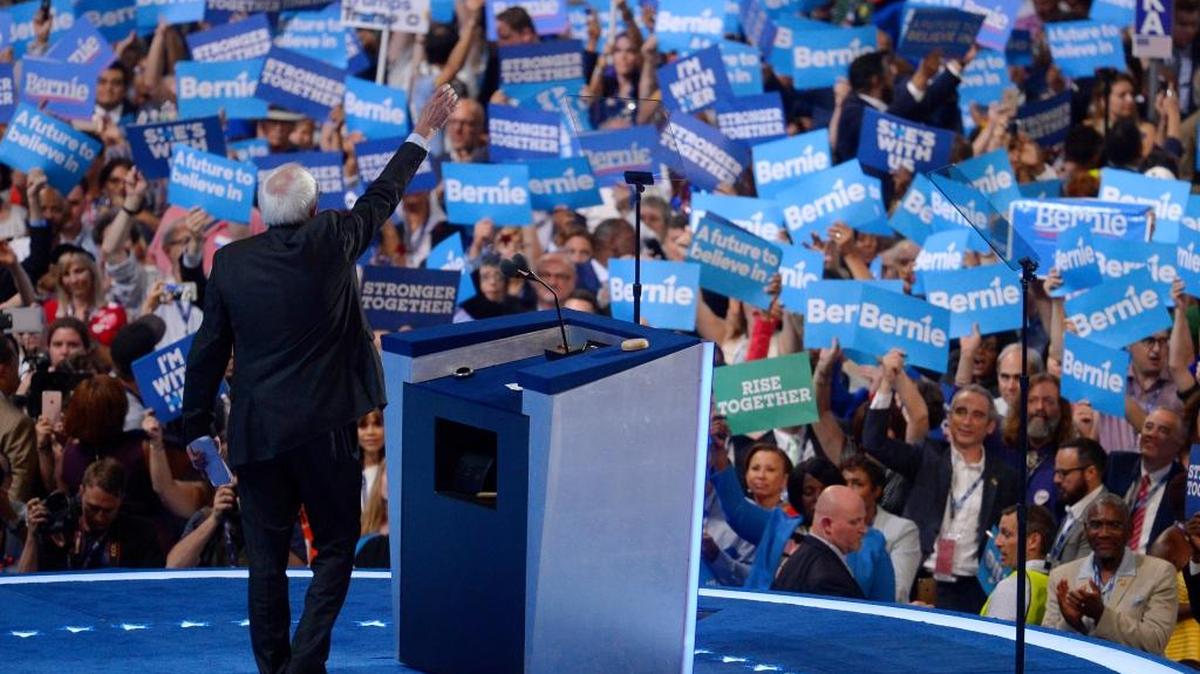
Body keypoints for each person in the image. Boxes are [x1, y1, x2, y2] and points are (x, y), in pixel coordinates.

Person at [181, 85, 457, 674]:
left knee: (266, 560)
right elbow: (383, 195)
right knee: (335, 549)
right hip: (325, 431)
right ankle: (304, 665)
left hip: (257, 435)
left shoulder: (229, 262)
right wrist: (423, 132)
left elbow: (207, 353)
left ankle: (275, 667)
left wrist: (196, 428)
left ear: (266, 212)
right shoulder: (332, 237)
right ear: (309, 210)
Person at [864, 355, 1021, 614]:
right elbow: (873, 442)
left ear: (991, 425)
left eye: (977, 415)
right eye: (960, 412)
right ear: (950, 418)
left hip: (974, 589)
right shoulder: (926, 456)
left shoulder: (1006, 477)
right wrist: (885, 385)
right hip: (922, 580)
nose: (967, 421)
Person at [1044, 494, 1177, 654]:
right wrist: (1072, 623)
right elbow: (1048, 649)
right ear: (1086, 530)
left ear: (1130, 530)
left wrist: (1101, 614)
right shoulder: (1061, 576)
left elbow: (1155, 642)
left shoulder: (1159, 573)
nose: (1104, 533)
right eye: (1096, 525)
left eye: (1114, 525)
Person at [17, 458, 163, 571]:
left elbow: (150, 589)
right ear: (81, 492)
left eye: (108, 510)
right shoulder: (56, 523)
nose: (100, 517)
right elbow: (24, 583)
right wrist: (32, 536)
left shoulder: (140, 534)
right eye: (93, 508)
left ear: (121, 499)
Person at [842, 454, 921, 602]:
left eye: (857, 484)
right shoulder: (833, 528)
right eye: (844, 483)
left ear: (876, 491)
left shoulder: (902, 530)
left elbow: (898, 592)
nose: (848, 490)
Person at [1106, 408, 1185, 554]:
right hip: (1109, 558)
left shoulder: (1182, 485)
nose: (1151, 434)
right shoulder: (1117, 465)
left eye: (1163, 430)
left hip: (1151, 566)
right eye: (1148, 427)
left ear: (1178, 444)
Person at [771, 485, 869, 599]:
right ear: (827, 525)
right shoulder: (829, 579)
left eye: (863, 520)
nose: (864, 530)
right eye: (854, 522)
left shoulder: (799, 557)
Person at [981, 504, 1055, 624]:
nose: (997, 542)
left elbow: (995, 640)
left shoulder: (1013, 586)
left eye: (1007, 534)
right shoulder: (1052, 581)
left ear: (1033, 541)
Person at [1047, 438, 1109, 568]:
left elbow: (1079, 576)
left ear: (1090, 472)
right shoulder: (1075, 506)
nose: (1056, 479)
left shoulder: (1102, 518)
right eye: (1056, 472)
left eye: (1063, 473)